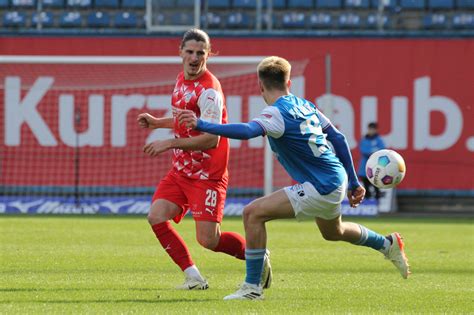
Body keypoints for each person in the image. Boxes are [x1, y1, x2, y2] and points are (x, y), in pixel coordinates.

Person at [178, 56, 410, 300]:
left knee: (252, 213)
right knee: (334, 232)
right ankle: (387, 244)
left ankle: (252, 288)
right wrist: (353, 181)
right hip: (335, 179)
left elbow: (247, 131)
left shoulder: (276, 113)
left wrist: (202, 123)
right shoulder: (305, 105)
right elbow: (339, 139)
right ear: (289, 82)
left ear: (260, 86)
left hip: (321, 185)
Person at [137, 29, 271, 290]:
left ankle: (257, 256)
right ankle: (193, 276)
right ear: (180, 52)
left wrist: (169, 142)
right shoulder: (180, 79)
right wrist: (158, 122)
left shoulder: (210, 91)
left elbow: (211, 140)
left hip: (207, 175)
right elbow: (185, 120)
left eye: (201, 53)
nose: (195, 57)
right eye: (190, 52)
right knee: (156, 216)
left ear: (209, 55)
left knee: (209, 240)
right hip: (181, 171)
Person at [358, 122, 386, 200]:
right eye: (370, 129)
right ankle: (368, 205)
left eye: (373, 129)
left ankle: (377, 205)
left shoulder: (379, 140)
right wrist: (374, 151)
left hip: (376, 167)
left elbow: (382, 150)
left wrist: (371, 151)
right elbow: (363, 150)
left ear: (376, 130)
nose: (371, 131)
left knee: (376, 185)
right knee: (366, 187)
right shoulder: (364, 140)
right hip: (365, 167)